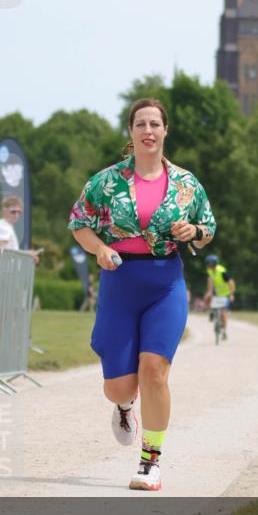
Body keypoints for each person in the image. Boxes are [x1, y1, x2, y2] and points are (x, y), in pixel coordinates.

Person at [68, 98, 216, 492]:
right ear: (131, 132)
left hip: (165, 282)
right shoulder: (106, 182)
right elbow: (79, 223)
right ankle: (123, 406)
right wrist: (99, 248)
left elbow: (208, 227)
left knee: (155, 370)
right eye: (141, 124)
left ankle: (150, 462)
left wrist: (194, 233)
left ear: (165, 131)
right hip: (119, 281)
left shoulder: (187, 184)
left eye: (155, 124)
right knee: (118, 385)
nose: (148, 131)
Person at [0, 196, 41, 265]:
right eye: (13, 212)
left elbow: (8, 252)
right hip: (5, 272)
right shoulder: (3, 226)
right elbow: (2, 250)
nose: (17, 215)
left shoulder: (5, 225)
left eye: (19, 212)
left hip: (6, 271)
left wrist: (27, 255)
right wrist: (26, 254)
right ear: (4, 210)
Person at [204, 255, 235, 340]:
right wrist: (209, 292)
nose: (208, 266)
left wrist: (232, 294)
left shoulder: (222, 271)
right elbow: (210, 280)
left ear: (214, 264)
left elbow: (231, 283)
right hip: (217, 293)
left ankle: (224, 331)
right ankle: (211, 312)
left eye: (209, 264)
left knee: (223, 312)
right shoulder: (209, 271)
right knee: (207, 297)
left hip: (226, 294)